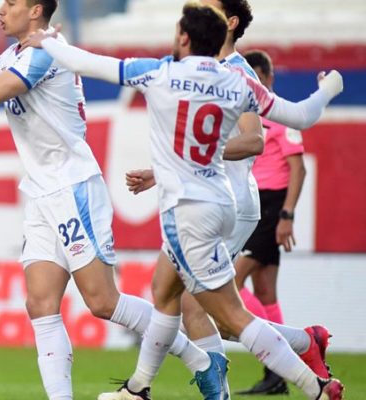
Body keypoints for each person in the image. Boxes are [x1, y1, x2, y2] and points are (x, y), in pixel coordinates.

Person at [0, 1, 232, 399]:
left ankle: (201, 360)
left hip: (73, 187)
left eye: (11, 3)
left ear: (36, 9)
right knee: (40, 303)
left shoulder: (45, 51)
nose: (1, 10)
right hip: (41, 191)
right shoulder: (14, 54)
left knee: (103, 302)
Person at [24, 2, 344, 400]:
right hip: (220, 200)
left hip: (189, 211)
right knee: (164, 291)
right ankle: (137, 389)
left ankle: (312, 384)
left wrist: (50, 42)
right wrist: (330, 87)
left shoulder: (164, 73)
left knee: (228, 316)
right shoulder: (236, 82)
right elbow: (299, 115)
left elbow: (94, 64)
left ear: (184, 38)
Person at [235, 49, 309, 395]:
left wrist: (287, 215)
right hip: (253, 202)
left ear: (266, 78)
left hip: (270, 207)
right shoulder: (246, 114)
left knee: (231, 282)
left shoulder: (281, 117)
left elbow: (299, 168)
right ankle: (276, 374)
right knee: (265, 292)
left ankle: (293, 352)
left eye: (254, 76)